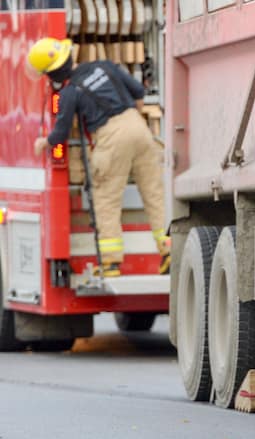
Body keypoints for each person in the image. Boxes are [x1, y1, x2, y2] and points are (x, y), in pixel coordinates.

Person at [27, 38, 169, 277]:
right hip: (139, 128)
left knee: (106, 199)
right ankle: (169, 250)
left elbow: (60, 133)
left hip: (111, 138)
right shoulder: (105, 66)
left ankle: (111, 264)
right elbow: (138, 91)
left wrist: (44, 142)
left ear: (51, 75)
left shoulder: (70, 92)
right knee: (155, 193)